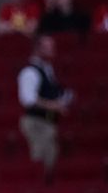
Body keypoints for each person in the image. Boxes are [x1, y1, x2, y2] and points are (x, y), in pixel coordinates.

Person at [17, 35, 72, 170]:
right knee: (41, 159)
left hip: (48, 121)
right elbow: (28, 99)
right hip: (37, 122)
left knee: (50, 156)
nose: (53, 49)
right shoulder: (30, 71)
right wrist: (54, 106)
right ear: (38, 49)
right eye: (48, 47)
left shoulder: (47, 69)